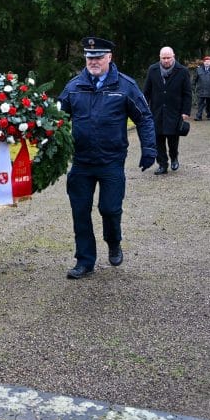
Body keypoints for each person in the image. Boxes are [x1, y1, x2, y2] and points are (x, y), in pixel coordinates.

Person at [58, 37, 157, 280]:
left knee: (110, 209)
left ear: (109, 58)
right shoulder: (74, 87)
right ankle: (85, 261)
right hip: (81, 162)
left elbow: (144, 118)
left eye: (99, 57)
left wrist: (149, 149)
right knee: (80, 212)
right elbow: (55, 119)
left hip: (111, 161)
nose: (93, 61)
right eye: (90, 57)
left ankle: (114, 241)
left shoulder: (125, 86)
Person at [143, 47, 192, 174]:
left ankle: (174, 157)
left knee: (173, 139)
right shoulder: (152, 70)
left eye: (168, 58)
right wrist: (144, 108)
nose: (166, 60)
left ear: (173, 56)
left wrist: (185, 111)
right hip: (156, 111)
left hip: (175, 111)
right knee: (158, 139)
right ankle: (162, 164)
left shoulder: (182, 71)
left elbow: (187, 93)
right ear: (160, 57)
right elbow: (146, 91)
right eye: (163, 58)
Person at [193, 55, 210, 121]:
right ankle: (199, 116)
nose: (207, 63)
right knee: (200, 104)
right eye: (205, 61)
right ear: (203, 62)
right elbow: (194, 79)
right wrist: (193, 87)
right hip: (201, 90)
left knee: (209, 104)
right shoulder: (198, 69)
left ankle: (209, 115)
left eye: (208, 61)